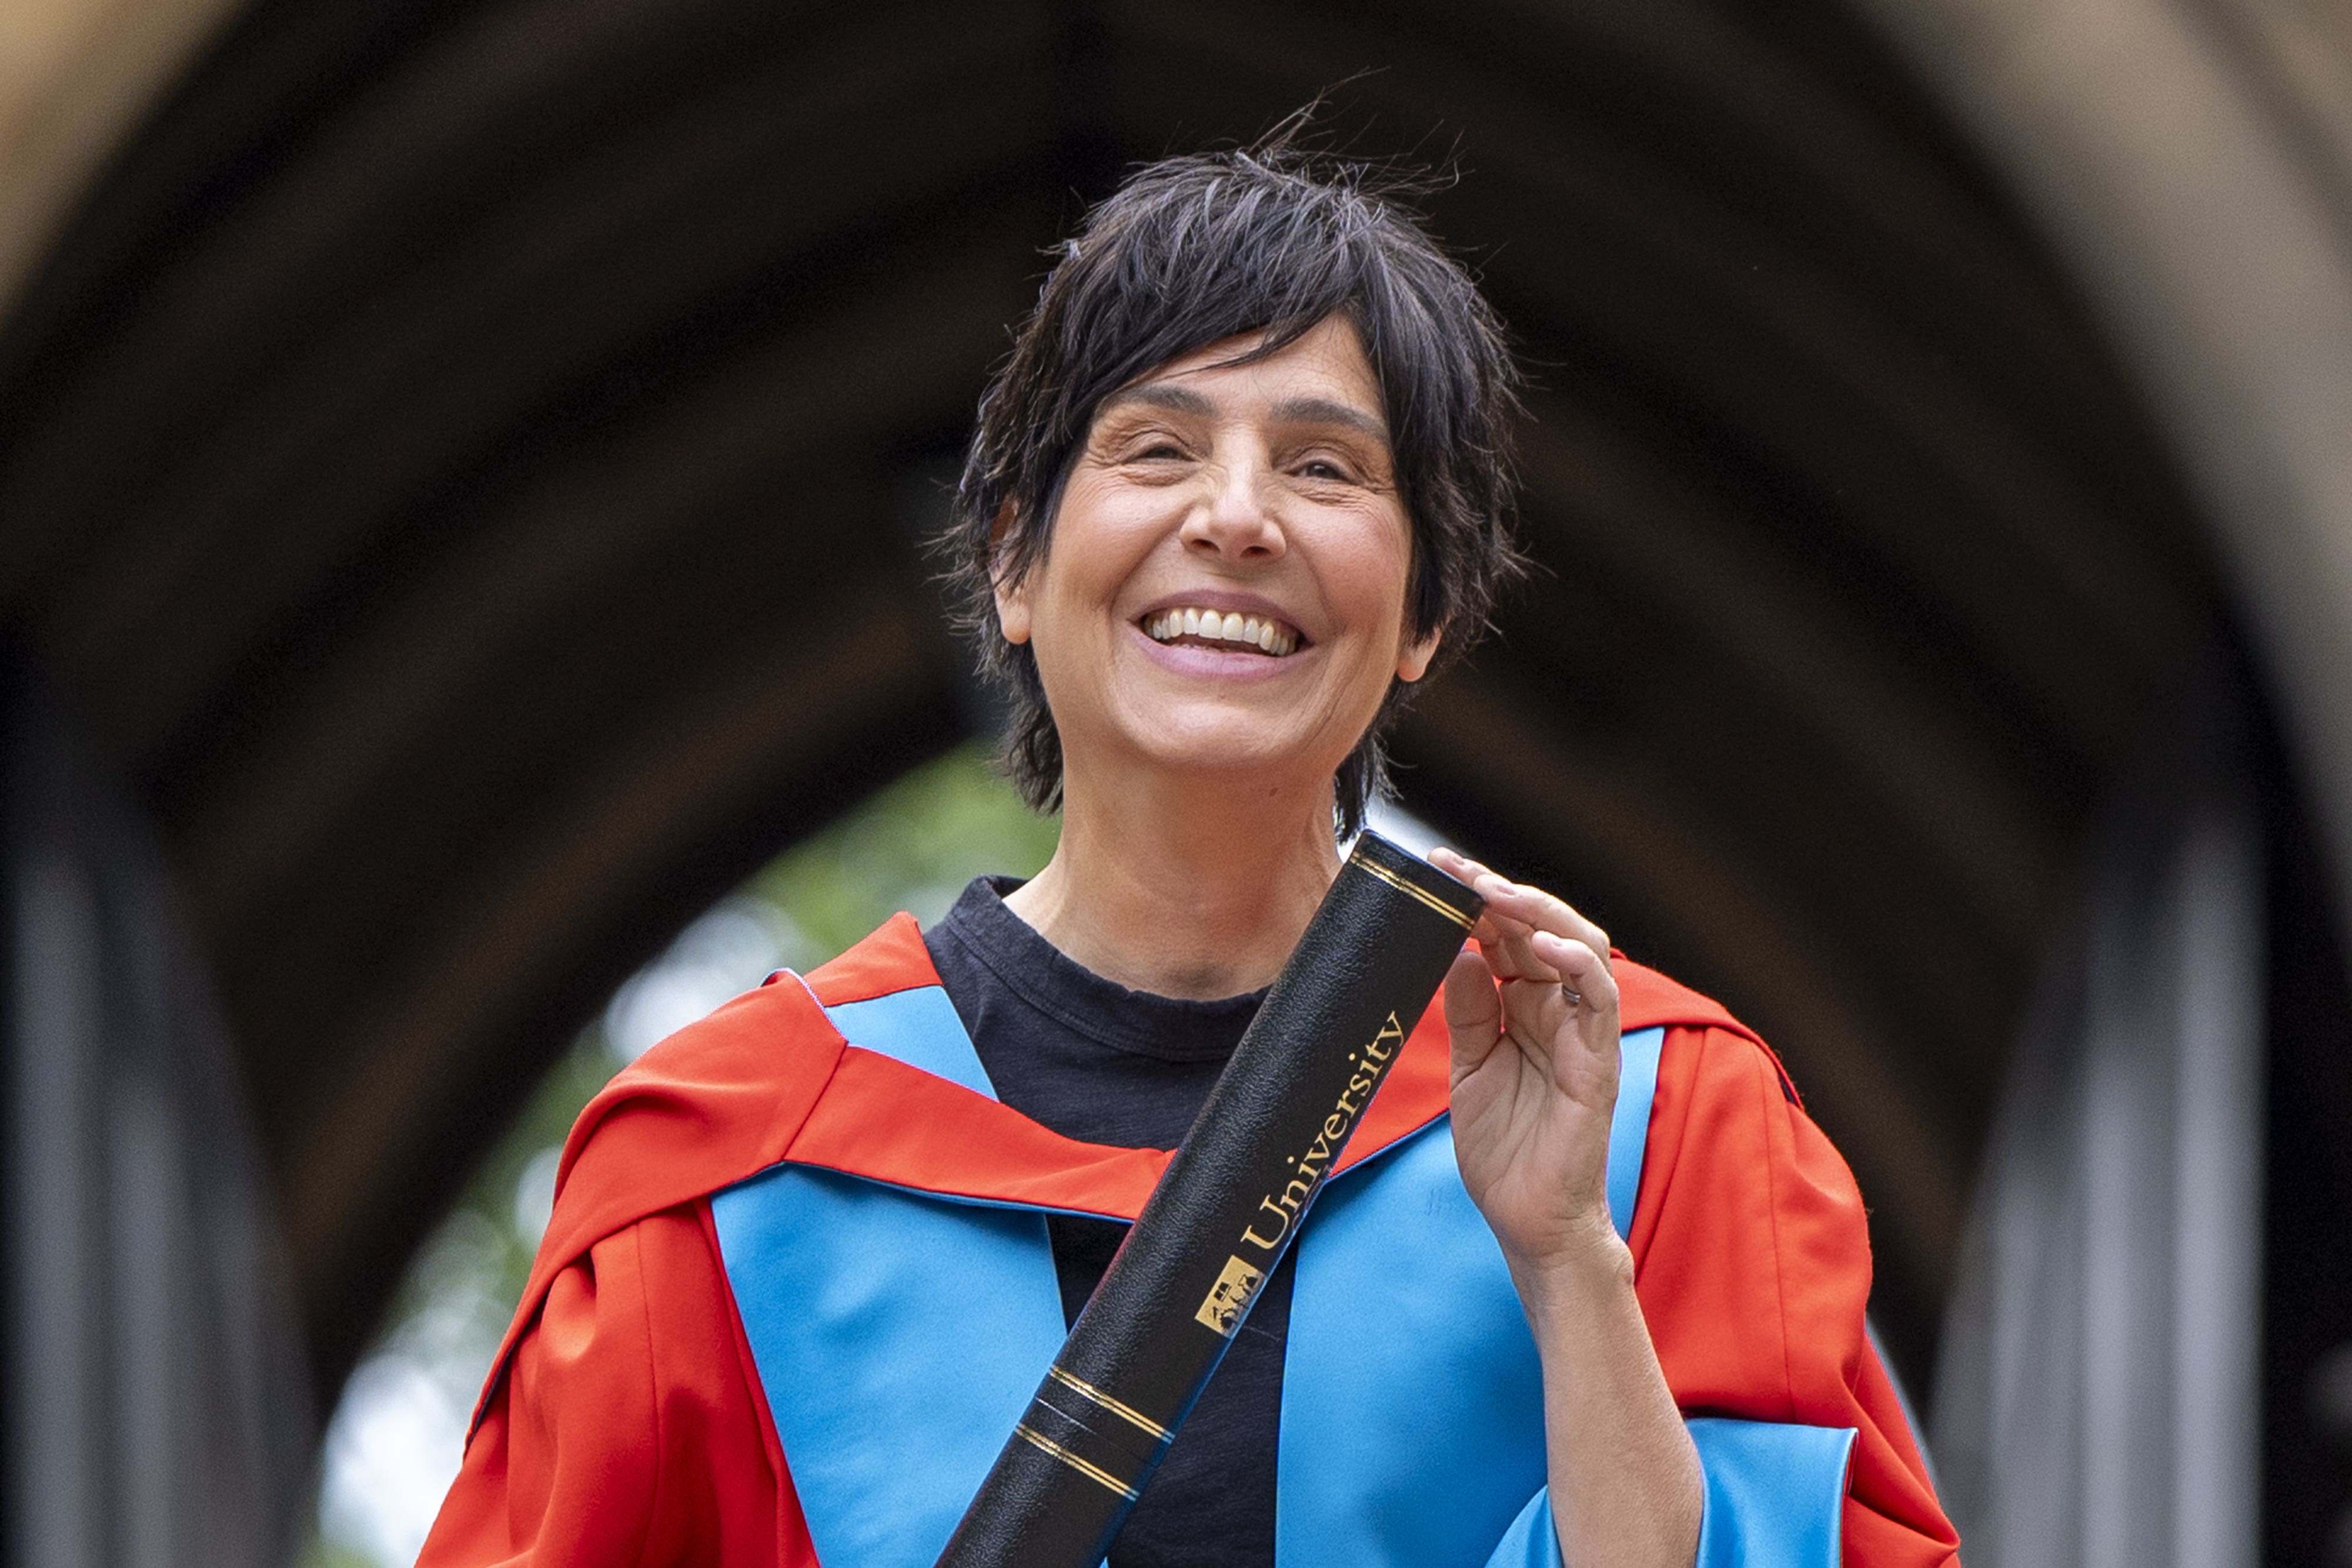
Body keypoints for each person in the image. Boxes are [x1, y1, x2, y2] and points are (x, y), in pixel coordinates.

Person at [417, 142, 1960, 1568]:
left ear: (1425, 613)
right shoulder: (731, 1176)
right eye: (1157, 447)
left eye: (1326, 467)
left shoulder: (1662, 1122)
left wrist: (1569, 1263)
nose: (1236, 517)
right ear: (1013, 564)